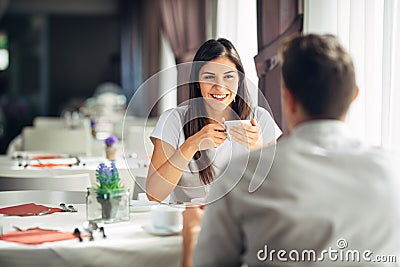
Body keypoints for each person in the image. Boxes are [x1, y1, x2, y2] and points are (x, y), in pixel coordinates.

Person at [183, 34, 400, 266]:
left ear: (288, 98)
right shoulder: (392, 171)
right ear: (354, 95)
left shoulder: (239, 178)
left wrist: (191, 236)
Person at [146, 38, 282, 203]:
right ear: (197, 82)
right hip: (189, 220)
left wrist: (260, 149)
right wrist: (190, 146)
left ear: (239, 81)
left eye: (228, 77)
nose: (220, 87)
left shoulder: (260, 119)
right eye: (209, 77)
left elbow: (277, 191)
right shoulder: (173, 120)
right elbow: (153, 195)